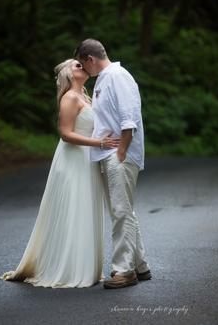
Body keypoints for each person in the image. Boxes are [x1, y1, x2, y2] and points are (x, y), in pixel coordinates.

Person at [0, 59, 120, 288]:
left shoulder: (86, 97)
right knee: (73, 208)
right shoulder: (69, 98)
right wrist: (99, 143)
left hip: (88, 159)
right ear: (68, 74)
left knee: (85, 209)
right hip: (73, 159)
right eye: (77, 65)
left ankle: (84, 265)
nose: (83, 66)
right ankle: (68, 268)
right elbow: (66, 134)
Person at [74, 39, 151, 289]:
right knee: (123, 210)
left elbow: (130, 116)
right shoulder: (103, 79)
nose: (84, 70)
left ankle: (124, 271)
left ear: (91, 59)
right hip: (109, 154)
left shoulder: (118, 76)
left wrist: (122, 151)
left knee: (120, 212)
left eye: (83, 65)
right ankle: (140, 266)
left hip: (119, 154)